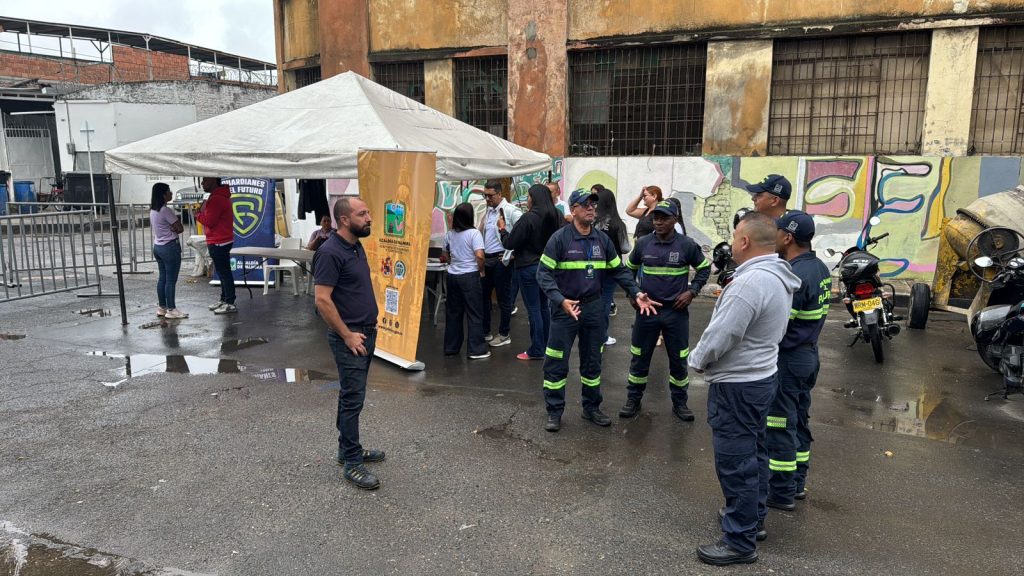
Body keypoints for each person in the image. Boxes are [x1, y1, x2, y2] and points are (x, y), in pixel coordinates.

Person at [688, 212, 800, 566]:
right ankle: (752, 519)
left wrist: (697, 360)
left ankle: (739, 540)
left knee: (737, 462)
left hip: (738, 386)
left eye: (735, 236)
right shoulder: (777, 275)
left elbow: (723, 334)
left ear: (745, 241)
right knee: (754, 453)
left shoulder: (750, 283)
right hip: (760, 378)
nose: (733, 242)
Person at [538, 189, 660, 433]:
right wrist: (560, 300)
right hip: (565, 308)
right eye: (585, 205)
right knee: (556, 361)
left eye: (593, 204)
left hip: (593, 308)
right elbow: (543, 274)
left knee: (593, 360)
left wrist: (636, 292)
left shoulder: (602, 240)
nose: (591, 208)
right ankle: (554, 411)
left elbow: (619, 271)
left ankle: (591, 408)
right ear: (573, 210)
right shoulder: (559, 239)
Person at [313, 197, 386, 491]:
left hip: (365, 332)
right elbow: (322, 300)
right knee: (352, 399)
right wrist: (347, 335)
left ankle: (348, 450)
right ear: (344, 220)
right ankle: (352, 462)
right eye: (362, 214)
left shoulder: (355, 245)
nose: (369, 218)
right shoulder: (330, 252)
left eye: (368, 212)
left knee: (353, 396)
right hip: (351, 338)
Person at [620, 200, 711, 421]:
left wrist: (692, 292)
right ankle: (633, 400)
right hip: (647, 312)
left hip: (675, 313)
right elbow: (628, 271)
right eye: (656, 218)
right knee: (639, 357)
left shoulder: (686, 245)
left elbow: (704, 268)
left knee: (678, 360)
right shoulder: (643, 243)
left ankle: (680, 403)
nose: (658, 222)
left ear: (675, 220)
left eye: (664, 218)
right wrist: (633, 295)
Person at [766, 211, 831, 510]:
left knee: (779, 423)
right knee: (799, 419)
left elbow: (779, 325)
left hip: (789, 360)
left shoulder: (793, 276)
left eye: (777, 231)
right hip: (808, 356)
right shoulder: (819, 268)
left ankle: (780, 491)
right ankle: (797, 482)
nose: (774, 236)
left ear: (788, 237)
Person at [499, 184, 561, 360]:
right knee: (543, 307)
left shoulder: (528, 218)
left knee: (534, 309)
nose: (527, 200)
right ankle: (547, 345)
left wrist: (502, 229)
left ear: (534, 198)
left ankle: (537, 349)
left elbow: (510, 243)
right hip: (548, 266)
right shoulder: (556, 215)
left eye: (528, 196)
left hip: (528, 267)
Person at [478, 180, 522, 348]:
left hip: (500, 259)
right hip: (487, 258)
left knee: (504, 299)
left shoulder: (511, 211)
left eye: (490, 196)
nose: (487, 199)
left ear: (499, 194)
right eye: (485, 195)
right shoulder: (489, 211)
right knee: (484, 297)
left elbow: (522, 233)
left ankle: (504, 334)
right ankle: (485, 331)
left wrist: (513, 255)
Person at [443, 203, 489, 360]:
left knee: (453, 313)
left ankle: (451, 347)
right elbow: (480, 255)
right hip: (469, 276)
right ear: (470, 216)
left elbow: (445, 253)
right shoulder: (474, 234)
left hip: (452, 276)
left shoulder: (450, 234)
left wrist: (452, 263)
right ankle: (476, 350)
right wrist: (481, 270)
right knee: (474, 313)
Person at [592, 184, 629, 345]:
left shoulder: (593, 223)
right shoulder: (618, 224)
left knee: (593, 300)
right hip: (612, 267)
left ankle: (591, 333)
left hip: (594, 266)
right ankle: (603, 336)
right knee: (606, 301)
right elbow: (625, 248)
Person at [195, 177, 236, 314]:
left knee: (224, 273)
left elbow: (210, 221)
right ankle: (224, 299)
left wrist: (198, 215)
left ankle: (229, 301)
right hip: (220, 240)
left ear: (213, 180)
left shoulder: (216, 199)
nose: (202, 183)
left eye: (205, 180)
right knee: (223, 272)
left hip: (219, 241)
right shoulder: (218, 197)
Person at [150, 183, 187, 319]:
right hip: (169, 247)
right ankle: (171, 309)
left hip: (158, 246)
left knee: (163, 278)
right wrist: (174, 228)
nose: (171, 193)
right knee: (171, 280)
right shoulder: (165, 210)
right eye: (169, 191)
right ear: (163, 195)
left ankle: (162, 307)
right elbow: (180, 228)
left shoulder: (153, 210)